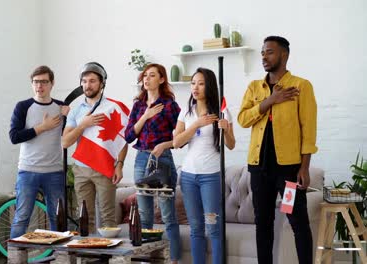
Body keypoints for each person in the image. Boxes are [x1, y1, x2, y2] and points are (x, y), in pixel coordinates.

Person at [237, 36, 318, 264]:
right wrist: (269, 101)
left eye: (269, 52)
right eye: (262, 52)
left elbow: (308, 130)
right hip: (258, 169)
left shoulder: (301, 86)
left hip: (288, 172)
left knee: (297, 221)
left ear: (284, 55)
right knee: (263, 223)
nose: (264, 56)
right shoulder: (254, 87)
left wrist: (305, 166)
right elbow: (243, 119)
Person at [173, 67, 235, 264]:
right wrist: (196, 125)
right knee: (196, 228)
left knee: (214, 227)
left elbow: (231, 145)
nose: (195, 88)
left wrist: (226, 130)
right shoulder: (186, 111)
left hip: (211, 176)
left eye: (201, 83)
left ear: (209, 86)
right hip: (189, 177)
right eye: (193, 83)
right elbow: (176, 142)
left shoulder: (222, 111)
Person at [125, 63, 181, 264]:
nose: (146, 79)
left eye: (151, 75)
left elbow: (182, 137)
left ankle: (174, 260)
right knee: (144, 215)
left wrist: (165, 145)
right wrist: (146, 115)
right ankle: (145, 260)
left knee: (168, 215)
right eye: (144, 76)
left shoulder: (170, 105)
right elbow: (129, 135)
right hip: (142, 159)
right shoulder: (139, 106)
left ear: (162, 79)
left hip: (163, 159)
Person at [62, 62, 128, 233]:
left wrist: (119, 165)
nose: (87, 85)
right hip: (81, 170)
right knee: (85, 217)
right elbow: (65, 142)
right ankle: (88, 258)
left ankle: (110, 258)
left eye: (92, 81)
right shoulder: (76, 111)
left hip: (105, 168)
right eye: (84, 81)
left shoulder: (113, 107)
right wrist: (83, 125)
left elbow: (123, 139)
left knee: (108, 217)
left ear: (102, 83)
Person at [9, 65, 70, 238]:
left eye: (44, 82)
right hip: (28, 171)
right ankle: (15, 258)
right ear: (32, 84)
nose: (39, 86)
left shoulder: (61, 108)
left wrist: (68, 116)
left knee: (57, 218)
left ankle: (56, 258)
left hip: (55, 172)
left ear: (52, 83)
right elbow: (14, 137)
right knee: (21, 218)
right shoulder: (22, 106)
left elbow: (68, 136)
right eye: (36, 82)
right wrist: (42, 128)